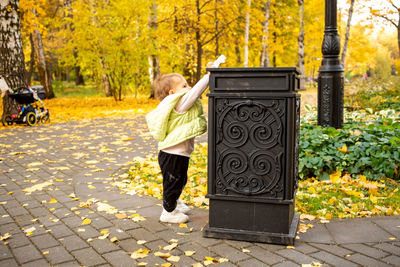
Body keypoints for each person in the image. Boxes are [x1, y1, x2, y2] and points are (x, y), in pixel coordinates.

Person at [146, 57, 224, 223]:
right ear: (172, 93)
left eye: (187, 85)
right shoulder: (179, 103)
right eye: (184, 86)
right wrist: (209, 75)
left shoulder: (177, 102)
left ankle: (174, 202)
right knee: (172, 182)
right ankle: (168, 212)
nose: (188, 88)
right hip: (172, 154)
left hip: (177, 153)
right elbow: (195, 92)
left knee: (181, 179)